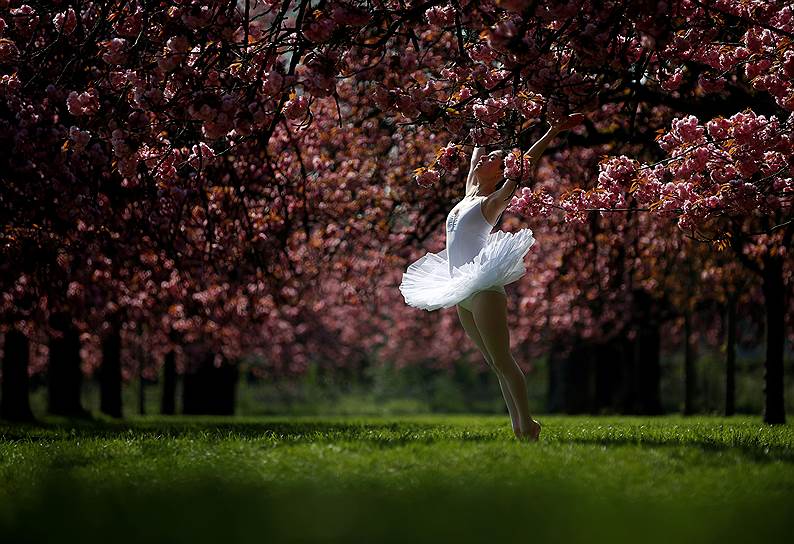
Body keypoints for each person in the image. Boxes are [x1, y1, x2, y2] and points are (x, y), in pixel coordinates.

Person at [399, 113, 584, 441]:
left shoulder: (492, 202)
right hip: (459, 288)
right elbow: (476, 148)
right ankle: (520, 426)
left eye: (494, 159)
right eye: (485, 156)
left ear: (501, 171)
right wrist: (481, 114)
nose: (484, 158)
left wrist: (553, 129)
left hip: (483, 287)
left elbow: (524, 166)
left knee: (503, 358)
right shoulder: (470, 190)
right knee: (495, 363)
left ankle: (528, 423)